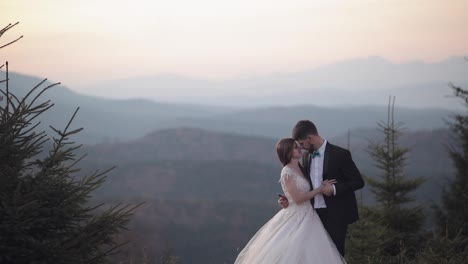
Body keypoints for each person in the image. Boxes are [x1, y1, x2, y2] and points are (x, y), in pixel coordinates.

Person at [234, 138, 346, 264]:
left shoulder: (301, 167)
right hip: (297, 217)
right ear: (287, 151)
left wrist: (287, 198)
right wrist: (320, 189)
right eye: (295, 147)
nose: (299, 149)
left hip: (310, 215)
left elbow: (296, 193)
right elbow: (298, 199)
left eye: (298, 146)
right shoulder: (287, 171)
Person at [279, 120, 365, 256]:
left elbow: (358, 182)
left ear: (310, 138)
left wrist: (334, 189)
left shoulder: (340, 154)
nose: (301, 148)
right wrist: (289, 199)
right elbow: (303, 185)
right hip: (311, 215)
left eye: (301, 143)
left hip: (336, 215)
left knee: (334, 255)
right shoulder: (306, 157)